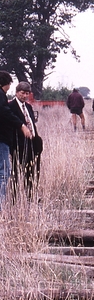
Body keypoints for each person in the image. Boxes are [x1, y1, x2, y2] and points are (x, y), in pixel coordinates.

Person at [0, 72, 32, 206]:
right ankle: (1, 205)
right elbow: (4, 112)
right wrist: (21, 125)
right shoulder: (1, 95)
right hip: (2, 139)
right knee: (4, 171)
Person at [8, 82, 42, 199]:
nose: (25, 96)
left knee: (31, 172)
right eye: (22, 93)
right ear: (17, 92)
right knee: (16, 173)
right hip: (19, 144)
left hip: (32, 144)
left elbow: (32, 123)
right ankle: (14, 199)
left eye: (27, 93)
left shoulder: (28, 107)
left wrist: (36, 138)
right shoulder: (10, 107)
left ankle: (31, 196)